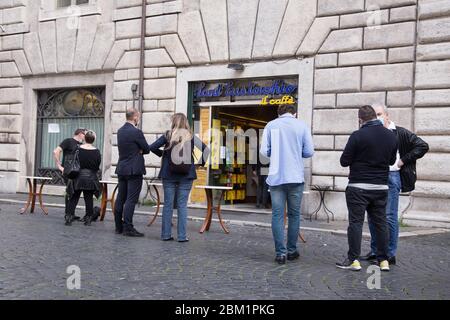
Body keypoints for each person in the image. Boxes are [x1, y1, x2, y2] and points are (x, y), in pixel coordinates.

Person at [360, 104, 429, 265]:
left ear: (387, 115)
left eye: (379, 114)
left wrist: (402, 161)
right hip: (375, 176)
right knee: (372, 216)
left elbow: (422, 145)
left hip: (392, 176)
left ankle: (389, 253)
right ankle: (376, 250)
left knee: (389, 216)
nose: (377, 118)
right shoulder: (371, 132)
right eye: (374, 115)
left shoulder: (400, 132)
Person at [336, 105, 398, 272]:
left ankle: (354, 260)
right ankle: (383, 260)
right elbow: (392, 161)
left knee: (355, 223)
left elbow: (344, 161)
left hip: (358, 187)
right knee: (381, 224)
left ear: (360, 119)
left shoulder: (357, 135)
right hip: (380, 187)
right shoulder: (390, 136)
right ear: (375, 117)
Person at [260, 104, 314, 264]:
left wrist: (274, 152)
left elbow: (264, 152)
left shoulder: (271, 125)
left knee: (277, 215)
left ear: (278, 113)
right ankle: (291, 250)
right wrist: (298, 152)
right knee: (294, 215)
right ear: (294, 113)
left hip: (276, 177)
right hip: (295, 176)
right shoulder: (301, 125)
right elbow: (309, 151)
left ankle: (280, 253)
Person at [149, 113, 209, 242]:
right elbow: (206, 150)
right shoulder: (191, 136)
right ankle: (182, 236)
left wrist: (164, 154)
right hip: (186, 175)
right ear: (186, 122)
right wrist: (199, 164)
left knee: (168, 205)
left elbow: (151, 147)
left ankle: (166, 235)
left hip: (168, 175)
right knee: (182, 205)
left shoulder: (168, 135)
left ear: (174, 122)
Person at [114, 108, 151, 237]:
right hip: (134, 170)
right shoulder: (136, 132)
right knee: (130, 199)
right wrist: (139, 150)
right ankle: (128, 228)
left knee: (120, 197)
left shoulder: (120, 131)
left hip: (122, 168)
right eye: (138, 117)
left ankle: (118, 226)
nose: (138, 119)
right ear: (135, 117)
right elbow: (146, 149)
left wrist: (138, 149)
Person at [65, 131, 102, 226]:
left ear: (85, 139)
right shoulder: (97, 151)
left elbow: (72, 162)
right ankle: (88, 219)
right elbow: (97, 166)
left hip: (77, 177)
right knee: (88, 199)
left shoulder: (77, 149)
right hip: (90, 178)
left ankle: (69, 218)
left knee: (74, 198)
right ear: (94, 140)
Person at [53, 128, 86, 221]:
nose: (85, 136)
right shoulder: (68, 141)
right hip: (68, 172)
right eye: (85, 134)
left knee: (74, 192)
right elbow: (56, 151)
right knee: (70, 191)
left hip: (77, 172)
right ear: (80, 133)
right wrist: (59, 166)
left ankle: (70, 213)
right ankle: (68, 214)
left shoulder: (81, 145)